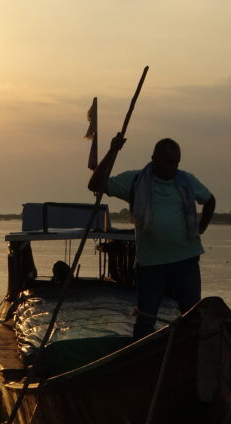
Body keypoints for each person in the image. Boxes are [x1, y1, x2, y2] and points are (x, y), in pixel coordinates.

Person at [88, 133, 216, 339]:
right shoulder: (135, 180)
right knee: (146, 319)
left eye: (176, 162)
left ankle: (190, 358)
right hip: (151, 265)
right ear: (153, 159)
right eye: (169, 162)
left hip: (186, 261)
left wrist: (201, 227)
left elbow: (209, 200)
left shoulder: (187, 181)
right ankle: (139, 360)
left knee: (192, 317)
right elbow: (95, 185)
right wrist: (113, 150)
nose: (173, 167)